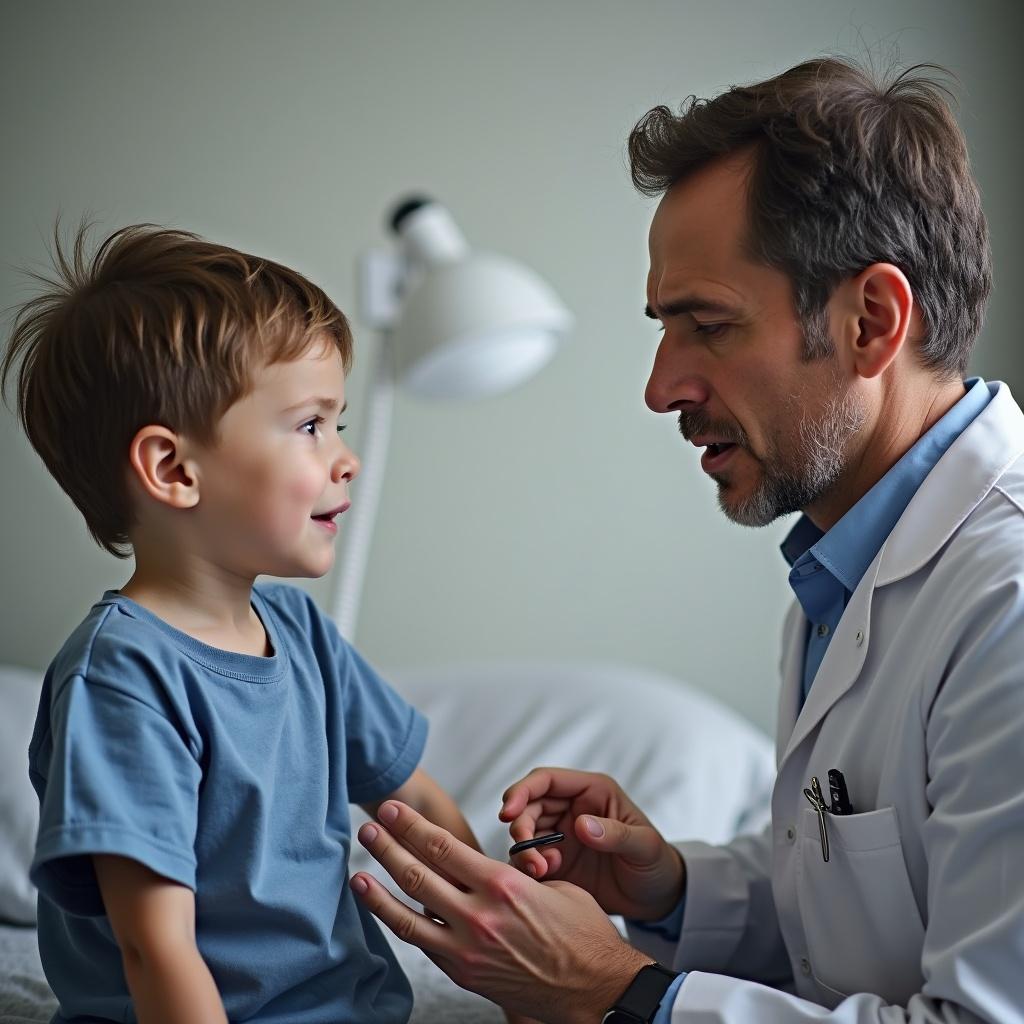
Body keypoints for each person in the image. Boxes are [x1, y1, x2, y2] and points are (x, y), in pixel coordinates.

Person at [346, 57, 1024, 1022]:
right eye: (666, 329)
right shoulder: (847, 565)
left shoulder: (1008, 598)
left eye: (707, 325)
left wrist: (619, 995)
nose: (661, 388)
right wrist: (666, 887)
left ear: (872, 320)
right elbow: (847, 911)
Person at [0, 225, 524, 1024]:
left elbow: (415, 800)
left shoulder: (297, 628)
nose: (346, 457)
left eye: (340, 422)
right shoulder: (123, 676)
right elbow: (154, 947)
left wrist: (511, 961)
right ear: (175, 471)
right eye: (311, 424)